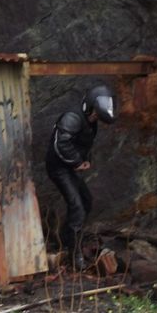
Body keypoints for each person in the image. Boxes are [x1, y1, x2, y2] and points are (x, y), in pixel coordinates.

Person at [45, 84, 115, 269]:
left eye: (98, 116)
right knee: (77, 207)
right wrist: (77, 162)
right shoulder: (72, 118)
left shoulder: (90, 122)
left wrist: (86, 159)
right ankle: (74, 254)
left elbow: (84, 144)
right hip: (59, 168)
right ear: (90, 106)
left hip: (70, 167)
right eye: (95, 114)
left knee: (86, 201)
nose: (95, 118)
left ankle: (65, 238)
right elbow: (61, 144)